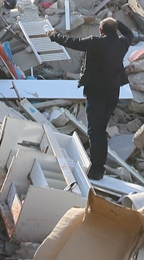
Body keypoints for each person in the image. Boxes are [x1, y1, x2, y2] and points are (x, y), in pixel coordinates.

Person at [47, 18, 134, 180]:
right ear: (115, 30)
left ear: (100, 31)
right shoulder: (122, 43)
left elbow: (72, 42)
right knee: (101, 130)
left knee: (95, 131)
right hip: (113, 93)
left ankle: (96, 170)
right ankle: (99, 166)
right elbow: (129, 33)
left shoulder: (96, 42)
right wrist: (117, 22)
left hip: (96, 93)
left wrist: (53, 35)